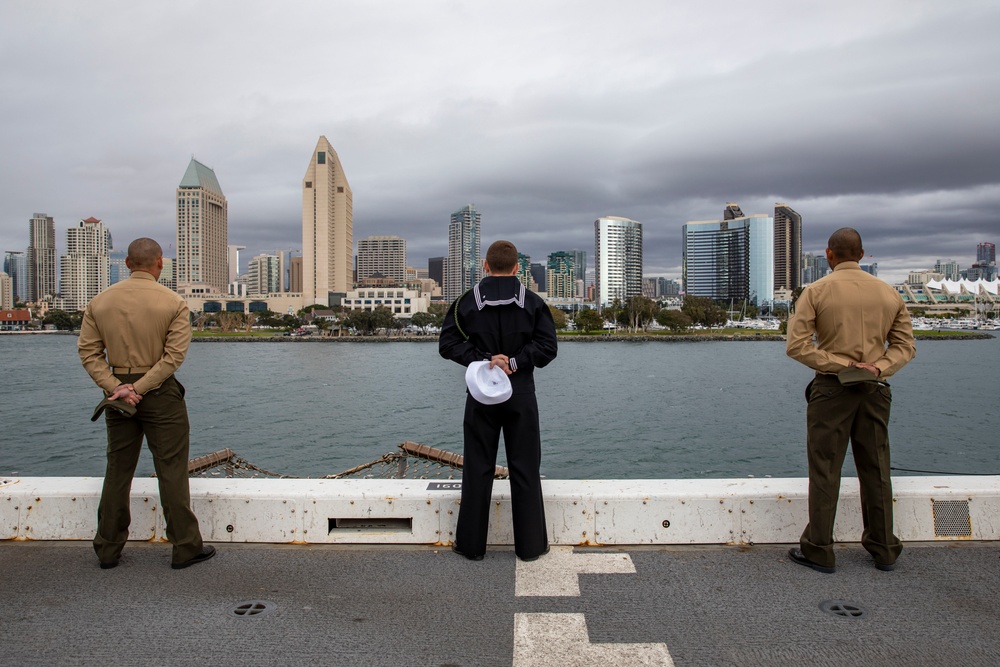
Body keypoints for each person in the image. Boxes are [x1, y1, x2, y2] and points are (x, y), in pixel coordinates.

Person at [78, 238, 215, 570]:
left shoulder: (100, 301)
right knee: (171, 470)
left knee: (118, 470)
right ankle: (184, 547)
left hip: (117, 395)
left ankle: (108, 549)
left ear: (126, 263)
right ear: (160, 263)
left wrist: (118, 388)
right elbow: (172, 358)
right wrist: (139, 388)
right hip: (159, 393)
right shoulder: (173, 302)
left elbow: (89, 353)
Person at [785, 227, 916, 574]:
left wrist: (844, 365)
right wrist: (877, 367)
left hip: (832, 390)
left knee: (826, 469)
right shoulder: (889, 294)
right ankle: (884, 546)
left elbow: (797, 346)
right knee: (876, 468)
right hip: (874, 389)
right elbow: (905, 347)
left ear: (829, 254)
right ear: (862, 254)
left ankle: (819, 549)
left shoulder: (817, 291)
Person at [439, 240, 558, 561]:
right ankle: (532, 547)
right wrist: (514, 362)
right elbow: (548, 348)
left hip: (481, 394)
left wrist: (485, 358)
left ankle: (471, 546)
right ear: (518, 268)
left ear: (486, 266)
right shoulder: (533, 301)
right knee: (525, 468)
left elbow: (447, 345)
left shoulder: (467, 301)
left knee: (477, 466)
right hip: (520, 394)